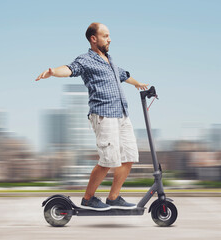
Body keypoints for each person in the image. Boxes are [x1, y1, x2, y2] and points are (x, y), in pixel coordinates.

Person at [35, 22, 149, 211]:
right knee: (108, 160)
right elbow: (70, 69)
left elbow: (124, 75)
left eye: (109, 35)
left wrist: (137, 84)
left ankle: (113, 198)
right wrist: (53, 72)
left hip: (122, 114)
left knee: (129, 157)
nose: (109, 39)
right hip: (104, 115)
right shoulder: (86, 60)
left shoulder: (110, 60)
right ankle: (88, 198)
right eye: (105, 36)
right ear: (93, 39)